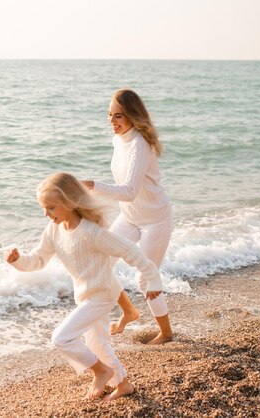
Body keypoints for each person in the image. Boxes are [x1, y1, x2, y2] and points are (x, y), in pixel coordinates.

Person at [5, 172, 163, 401]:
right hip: (85, 295)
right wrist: (17, 260)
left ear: (69, 202)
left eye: (51, 208)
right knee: (97, 343)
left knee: (61, 338)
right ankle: (123, 384)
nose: (46, 214)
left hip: (101, 294)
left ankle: (101, 371)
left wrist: (152, 279)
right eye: (44, 208)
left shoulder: (92, 233)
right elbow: (37, 260)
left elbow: (131, 251)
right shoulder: (54, 230)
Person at [82, 88, 173, 345]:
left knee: (146, 277)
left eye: (118, 116)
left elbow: (130, 191)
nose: (112, 121)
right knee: (100, 261)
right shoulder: (118, 141)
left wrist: (92, 185)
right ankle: (129, 311)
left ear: (132, 116)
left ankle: (166, 333)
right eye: (109, 115)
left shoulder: (140, 145)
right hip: (130, 217)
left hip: (156, 219)